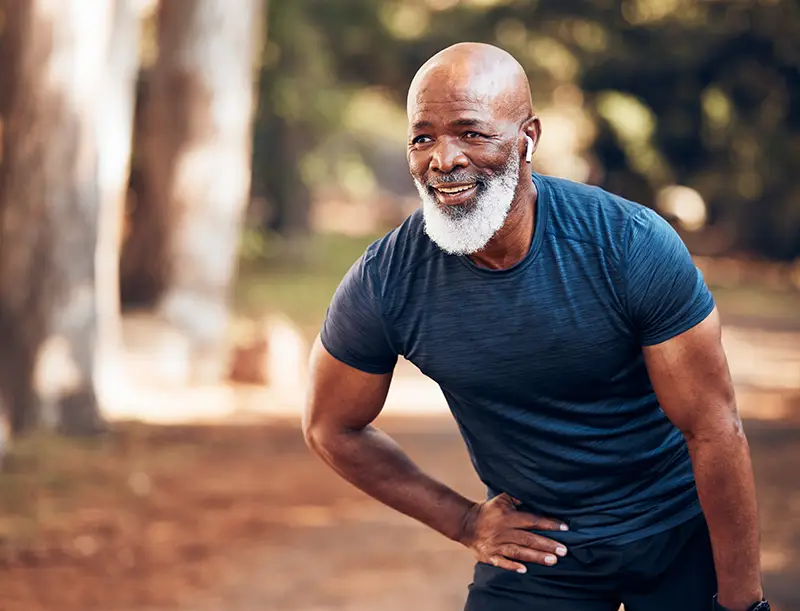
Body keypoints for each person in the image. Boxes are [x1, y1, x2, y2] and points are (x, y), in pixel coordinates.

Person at [302, 42, 769, 611]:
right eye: (423, 137)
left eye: (471, 133)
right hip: (541, 546)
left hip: (672, 528)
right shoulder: (388, 280)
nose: (442, 159)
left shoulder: (628, 244)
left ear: (528, 138)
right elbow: (331, 425)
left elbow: (714, 429)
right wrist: (466, 520)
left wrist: (744, 603)